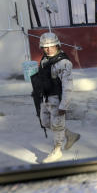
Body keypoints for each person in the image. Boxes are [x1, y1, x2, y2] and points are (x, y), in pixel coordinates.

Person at [35, 32, 80, 163]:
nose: (48, 49)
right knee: (45, 122)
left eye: (51, 46)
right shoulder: (45, 59)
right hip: (45, 98)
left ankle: (57, 150)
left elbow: (68, 86)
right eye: (45, 47)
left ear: (57, 45)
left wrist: (64, 105)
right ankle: (70, 135)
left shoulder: (64, 63)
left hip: (57, 98)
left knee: (57, 125)